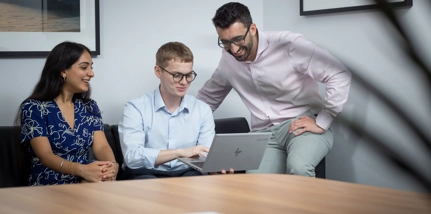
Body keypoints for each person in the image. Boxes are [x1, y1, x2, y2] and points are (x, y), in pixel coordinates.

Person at [197, 2, 352, 177]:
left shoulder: (289, 44)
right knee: (256, 184)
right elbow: (207, 99)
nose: (234, 49)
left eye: (238, 39)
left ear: (253, 29)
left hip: (301, 124)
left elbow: (339, 73)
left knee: (298, 167)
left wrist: (322, 121)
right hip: (263, 135)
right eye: (225, 42)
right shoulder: (228, 59)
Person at [119, 42, 232, 179]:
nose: (184, 82)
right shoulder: (135, 108)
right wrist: (180, 152)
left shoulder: (202, 109)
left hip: (188, 173)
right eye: (177, 75)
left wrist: (214, 166)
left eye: (189, 75)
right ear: (158, 71)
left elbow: (205, 153)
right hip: (145, 173)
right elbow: (132, 157)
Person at [17, 41, 118, 185]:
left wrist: (112, 166)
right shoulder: (34, 107)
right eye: (84, 67)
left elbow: (102, 146)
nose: (91, 73)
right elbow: (45, 155)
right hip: (49, 186)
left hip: (86, 181)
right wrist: (82, 170)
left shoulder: (90, 107)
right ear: (63, 71)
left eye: (91, 67)